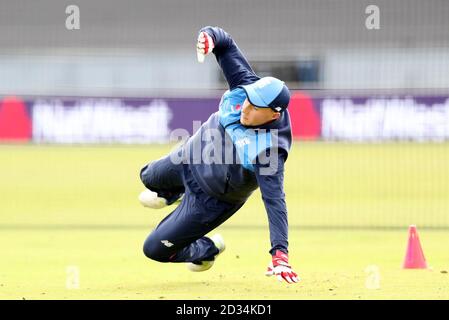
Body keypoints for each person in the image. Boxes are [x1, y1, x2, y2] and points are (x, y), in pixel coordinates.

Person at [138, 26, 298, 284]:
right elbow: (224, 43)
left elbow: (275, 202)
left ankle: (206, 250)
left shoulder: (269, 152)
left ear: (273, 115)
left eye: (255, 106)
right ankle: (172, 193)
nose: (246, 107)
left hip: (211, 199)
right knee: (147, 176)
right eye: (248, 99)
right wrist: (208, 37)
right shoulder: (247, 84)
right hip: (190, 157)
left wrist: (280, 254)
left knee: (154, 249)